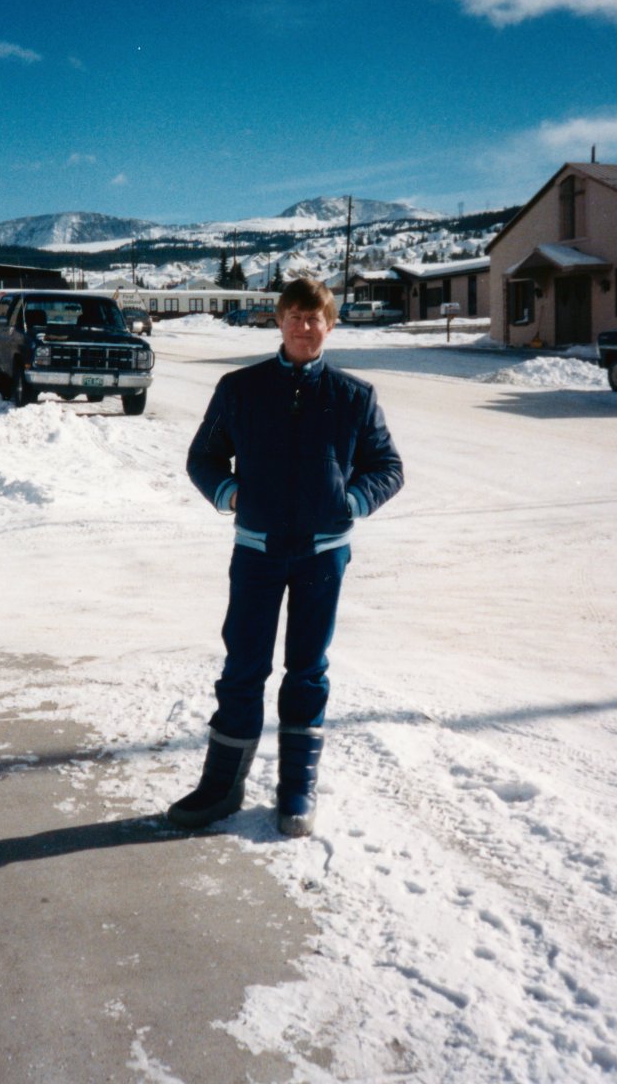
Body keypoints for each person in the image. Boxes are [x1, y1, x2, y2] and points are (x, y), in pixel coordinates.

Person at [168, 278, 403, 837]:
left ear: (331, 325)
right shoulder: (239, 388)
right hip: (257, 553)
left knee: (307, 670)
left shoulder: (354, 395)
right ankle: (222, 786)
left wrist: (352, 501)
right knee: (243, 668)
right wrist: (230, 495)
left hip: (323, 557)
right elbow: (203, 457)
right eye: (294, 316)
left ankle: (296, 787)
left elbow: (388, 467)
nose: (303, 326)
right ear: (278, 321)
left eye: (314, 317)